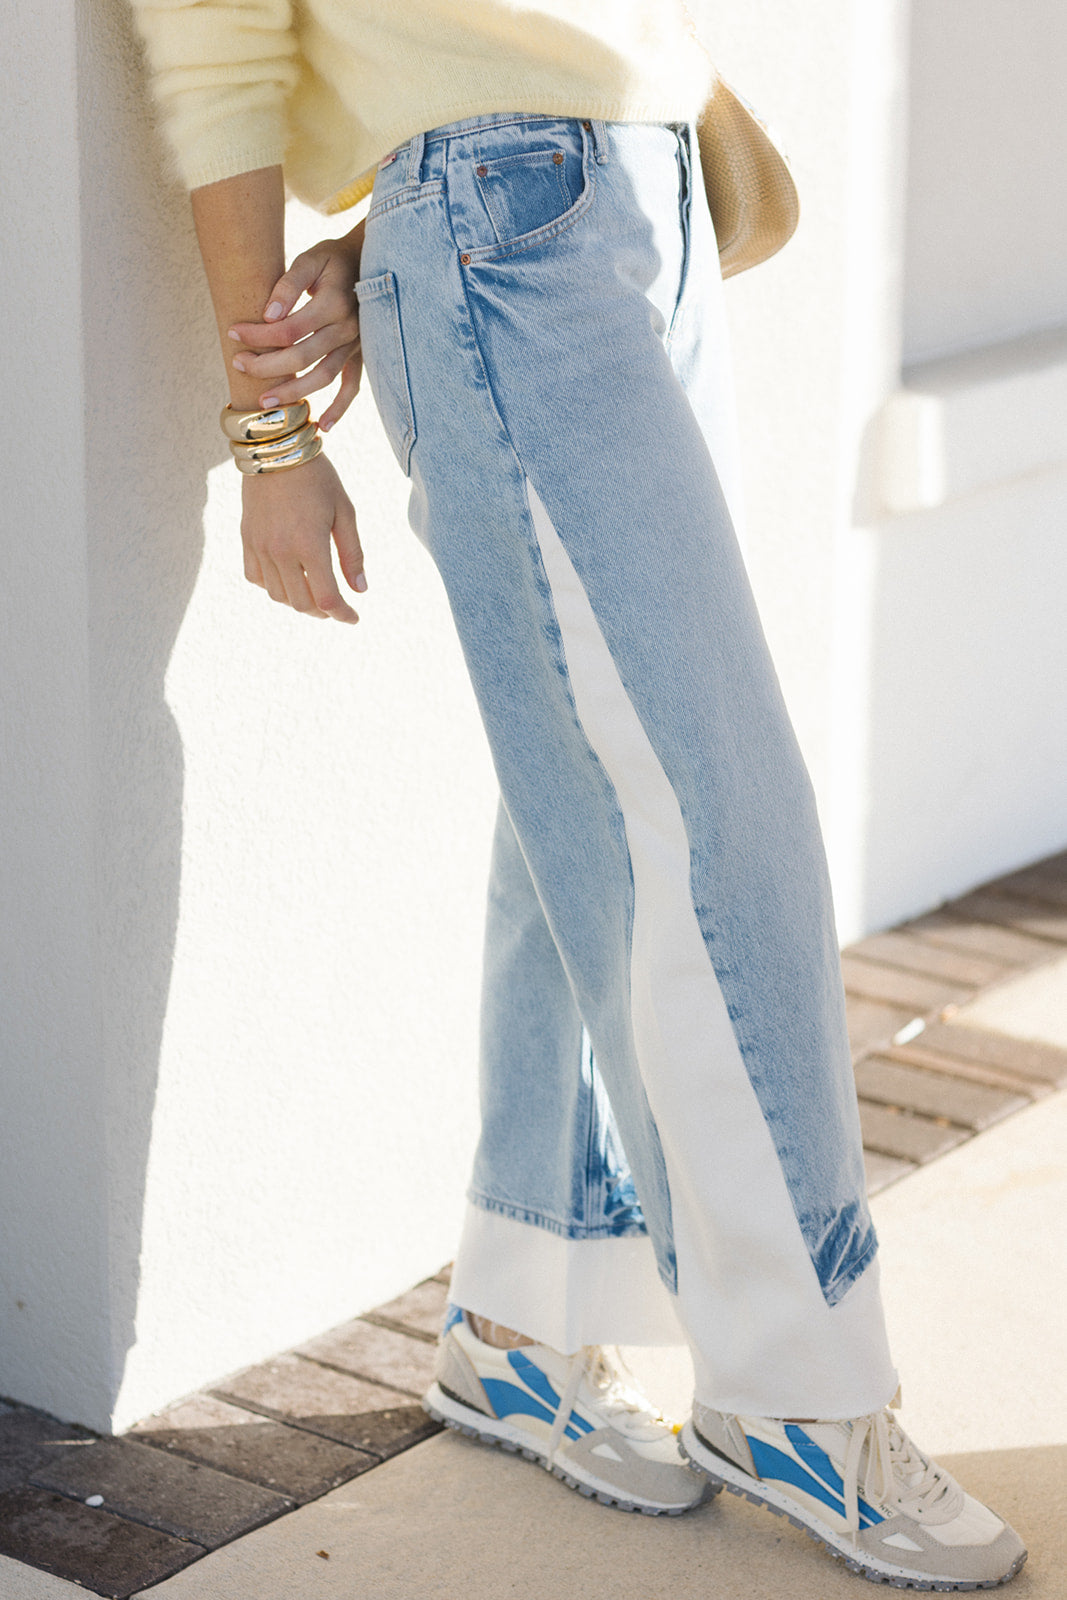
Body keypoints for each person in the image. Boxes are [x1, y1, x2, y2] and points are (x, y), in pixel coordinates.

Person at [127, 0, 1025, 1587]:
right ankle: (800, 1392)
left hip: (631, 203)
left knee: (587, 792)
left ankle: (520, 1315)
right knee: (714, 807)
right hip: (508, 234)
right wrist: (271, 430)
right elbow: (216, 57)